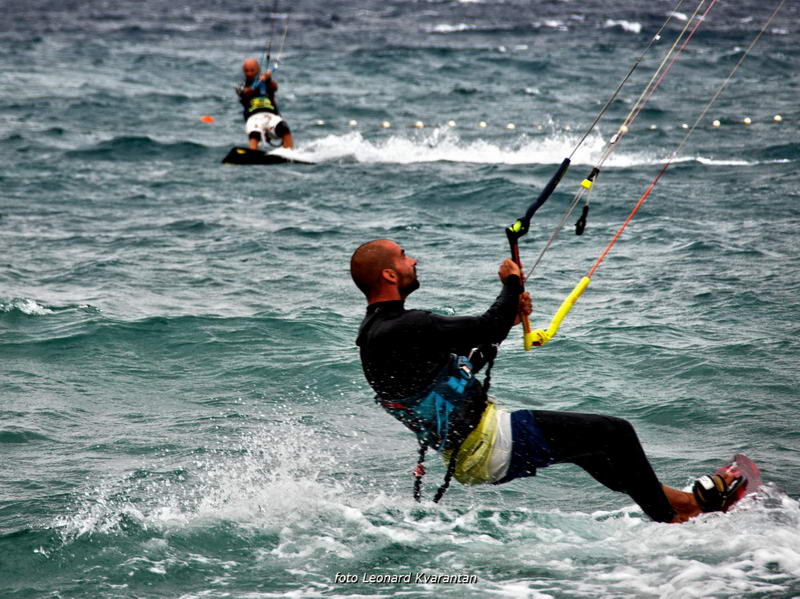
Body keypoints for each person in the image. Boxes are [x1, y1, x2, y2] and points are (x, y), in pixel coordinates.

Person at [350, 239, 742, 523]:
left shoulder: (378, 335)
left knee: (591, 450)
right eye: (404, 256)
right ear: (388, 273)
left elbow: (471, 353)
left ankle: (680, 502)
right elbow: (486, 325)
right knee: (615, 433)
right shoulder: (406, 326)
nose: (414, 259)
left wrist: (510, 317)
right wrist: (510, 285)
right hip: (487, 442)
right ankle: (672, 518)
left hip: (467, 455)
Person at [237, 57, 294, 150]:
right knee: (255, 135)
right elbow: (247, 92)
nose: (249, 73)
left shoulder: (267, 82)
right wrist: (258, 82)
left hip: (270, 116)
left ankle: (290, 152)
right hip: (254, 117)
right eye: (247, 71)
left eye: (252, 70)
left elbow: (275, 87)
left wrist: (268, 79)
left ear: (258, 70)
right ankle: (252, 154)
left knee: (284, 128)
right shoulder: (241, 86)